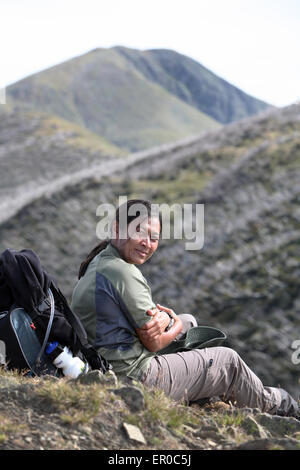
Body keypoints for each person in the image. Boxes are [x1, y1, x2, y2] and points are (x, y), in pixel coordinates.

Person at [71, 199, 299, 417]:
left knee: (189, 321)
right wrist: (174, 323)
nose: (147, 243)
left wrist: (169, 321)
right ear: (118, 228)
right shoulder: (122, 272)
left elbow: (146, 322)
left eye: (154, 237)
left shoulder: (101, 260)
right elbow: (153, 342)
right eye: (139, 232)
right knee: (228, 361)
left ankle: (200, 391)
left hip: (107, 362)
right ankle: (280, 404)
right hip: (132, 377)